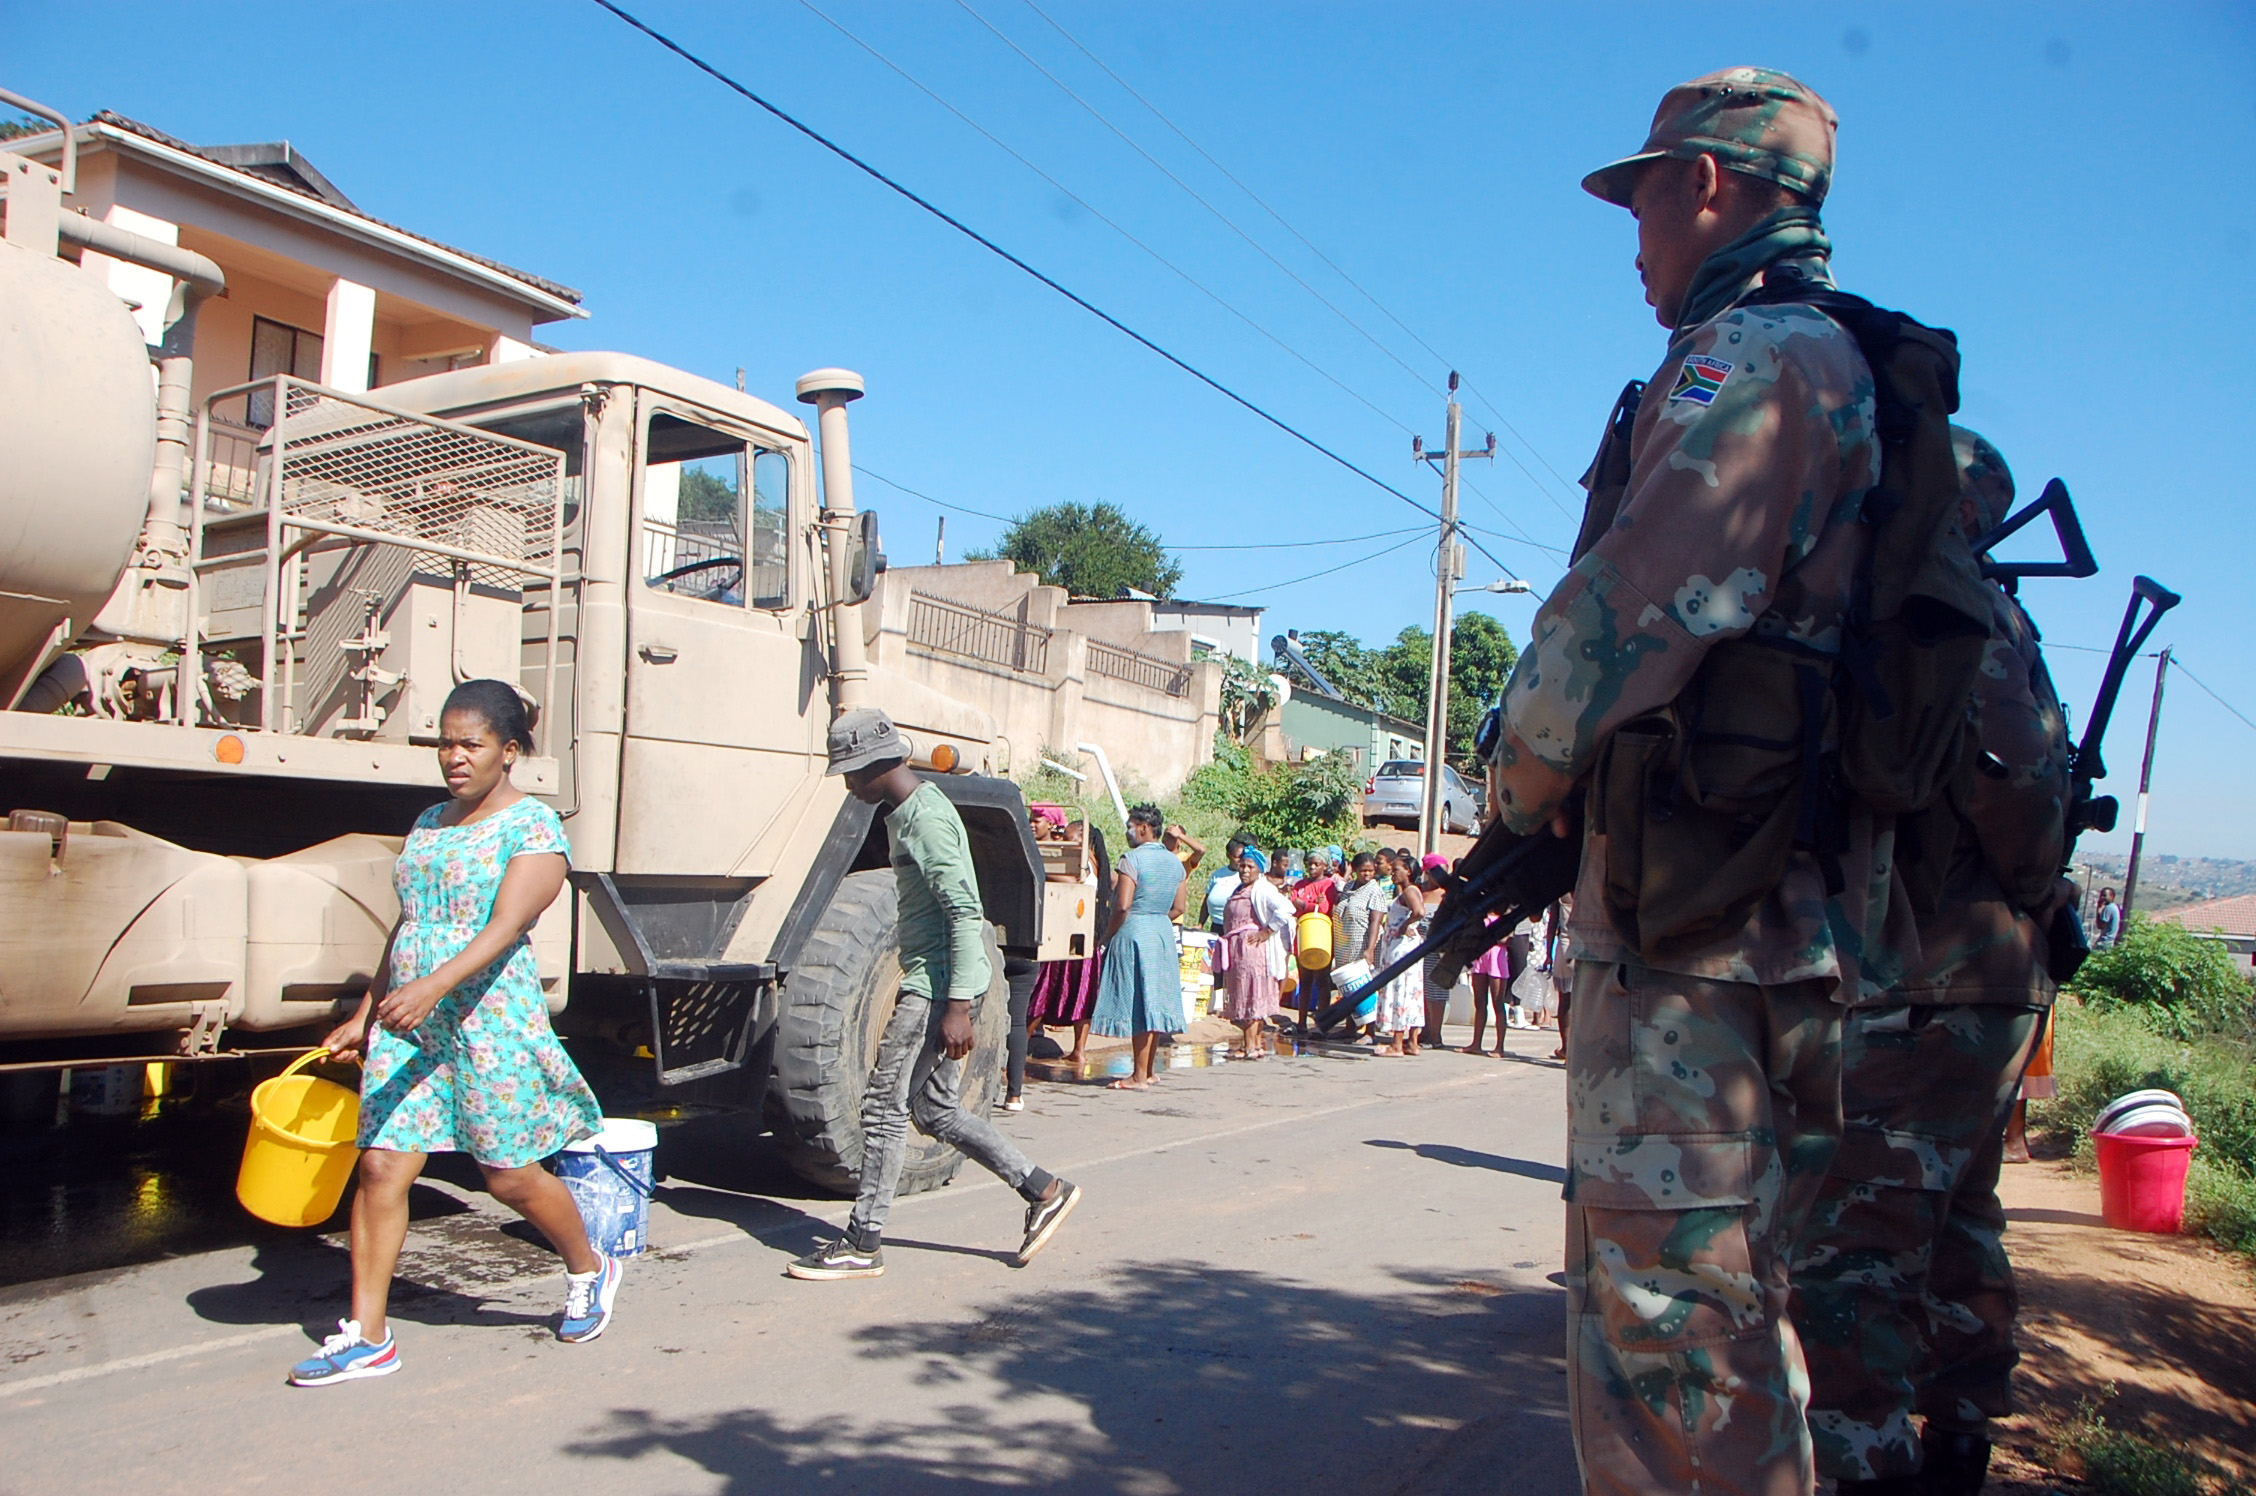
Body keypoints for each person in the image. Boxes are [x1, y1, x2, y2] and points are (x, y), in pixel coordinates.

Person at [1486, 69, 1915, 1492]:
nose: (1635, 242)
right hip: (1768, 919)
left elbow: (1632, 606)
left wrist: (1520, 783)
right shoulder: (1830, 359)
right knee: (1728, 1323)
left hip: (1701, 938)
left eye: (1646, 200)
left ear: (1712, 187)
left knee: (1670, 1338)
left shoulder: (1759, 359)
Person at [1793, 429, 2075, 1495]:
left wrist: (2032, 876)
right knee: (1958, 1214)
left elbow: (2019, 793)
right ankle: (1959, 1434)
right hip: (1980, 976)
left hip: (1927, 977)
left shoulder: (1940, 608)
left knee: (1861, 1240)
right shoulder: (1978, 607)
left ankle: (1868, 1458)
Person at [293, 680, 616, 1385]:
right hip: (408, 1019)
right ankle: (367, 1335)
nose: (453, 756)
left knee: (507, 1175)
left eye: (470, 743)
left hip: (485, 1021)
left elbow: (506, 929)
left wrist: (433, 988)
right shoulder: (430, 821)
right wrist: (363, 1011)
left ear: (509, 751)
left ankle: (589, 1267)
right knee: (381, 1165)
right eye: (445, 742)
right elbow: (410, 926)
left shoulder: (532, 829)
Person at [790, 709, 1081, 1280]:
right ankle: (1043, 1189)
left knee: (882, 1106)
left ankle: (863, 1240)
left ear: (876, 767)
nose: (848, 785)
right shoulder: (905, 814)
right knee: (935, 1109)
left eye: (851, 773)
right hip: (938, 985)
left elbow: (963, 913)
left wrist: (957, 1007)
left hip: (934, 989)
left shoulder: (925, 819)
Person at [1087, 803, 1190, 1091]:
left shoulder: (1131, 860)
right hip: (1161, 933)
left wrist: (1106, 936)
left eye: (1131, 825)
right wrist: (1155, 918)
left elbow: (1122, 905)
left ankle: (1137, 1075)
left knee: (1138, 1004)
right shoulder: (1175, 863)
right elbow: (1179, 906)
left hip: (1133, 931)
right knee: (1154, 1000)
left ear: (1144, 828)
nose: (1128, 831)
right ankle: (1147, 1071)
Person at [1217, 850, 1296, 1058]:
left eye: (1250, 867)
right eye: (1242, 866)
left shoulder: (1263, 889)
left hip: (1252, 950)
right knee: (1245, 993)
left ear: (1259, 869)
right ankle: (1253, 1044)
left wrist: (1267, 931)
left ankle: (1251, 1045)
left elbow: (1286, 908)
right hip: (1237, 950)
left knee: (1252, 994)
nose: (1244, 870)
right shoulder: (1240, 889)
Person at [1370, 858, 1428, 1056]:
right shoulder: (1407, 892)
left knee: (1400, 991)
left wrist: (1405, 925)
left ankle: (1396, 1044)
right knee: (1410, 992)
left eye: (1396, 870)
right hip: (1404, 949)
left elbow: (1420, 911)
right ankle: (1412, 1042)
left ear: (1408, 871)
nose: (1392, 873)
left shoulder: (1409, 891)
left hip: (1401, 950)